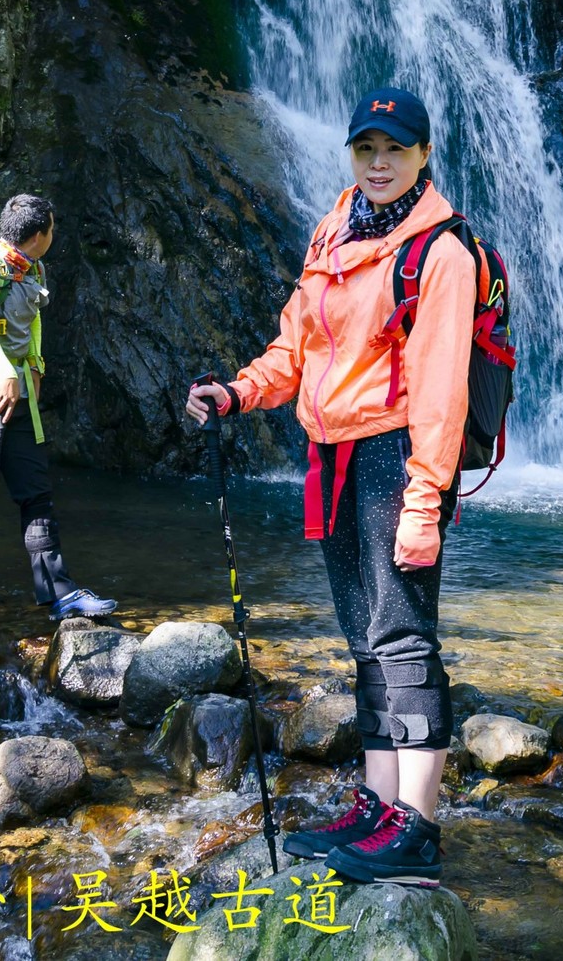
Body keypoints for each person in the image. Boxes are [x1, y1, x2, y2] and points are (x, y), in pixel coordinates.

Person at [186, 89, 475, 886]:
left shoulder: (442, 254)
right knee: (366, 637)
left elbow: (444, 394)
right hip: (332, 453)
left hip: (397, 458)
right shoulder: (336, 226)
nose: (379, 163)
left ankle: (417, 825)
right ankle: (380, 805)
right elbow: (296, 344)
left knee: (404, 638)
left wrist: (424, 500)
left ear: (424, 154)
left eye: (396, 148)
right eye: (366, 147)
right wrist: (239, 392)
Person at [0, 193, 116, 623]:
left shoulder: (33, 269)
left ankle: (59, 594)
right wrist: (5, 373)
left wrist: (34, 365)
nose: (54, 233)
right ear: (39, 235)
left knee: (36, 496)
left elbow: (31, 322)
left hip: (17, 398)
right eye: (52, 227)